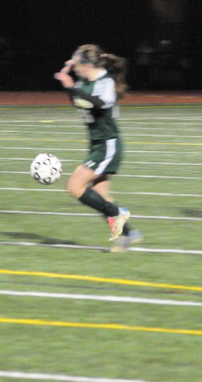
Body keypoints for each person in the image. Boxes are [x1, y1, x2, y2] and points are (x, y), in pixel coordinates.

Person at [54, 44, 142, 252]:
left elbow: (99, 103)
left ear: (87, 64)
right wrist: (69, 86)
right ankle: (129, 234)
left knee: (74, 186)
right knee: (101, 197)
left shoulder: (105, 82)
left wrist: (72, 87)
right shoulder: (84, 82)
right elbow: (79, 102)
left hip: (108, 145)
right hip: (97, 144)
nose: (74, 67)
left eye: (76, 63)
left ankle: (119, 214)